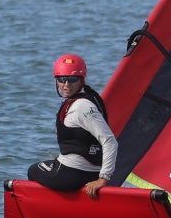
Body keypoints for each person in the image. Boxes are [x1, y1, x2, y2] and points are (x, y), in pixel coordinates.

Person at [26, 54, 121, 199]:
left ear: (81, 80)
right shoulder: (91, 97)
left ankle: (50, 211)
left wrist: (103, 179)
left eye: (72, 80)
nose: (66, 85)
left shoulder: (81, 106)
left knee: (33, 170)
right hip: (90, 172)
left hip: (72, 174)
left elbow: (110, 142)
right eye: (61, 79)